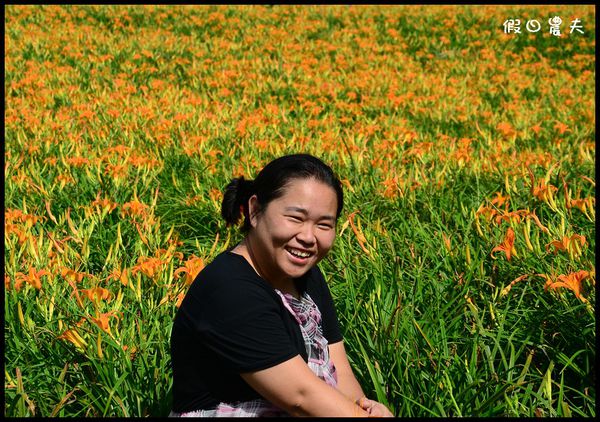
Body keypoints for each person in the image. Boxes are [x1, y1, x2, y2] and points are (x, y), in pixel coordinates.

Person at [169, 153, 394, 417]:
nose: (308, 237)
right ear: (254, 210)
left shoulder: (309, 277)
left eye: (324, 224)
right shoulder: (229, 288)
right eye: (296, 218)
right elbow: (301, 397)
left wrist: (364, 407)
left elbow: (339, 370)